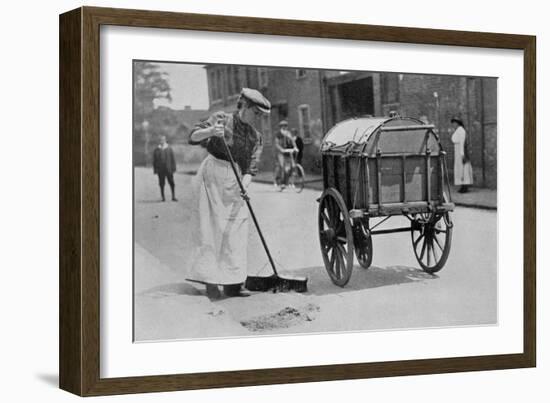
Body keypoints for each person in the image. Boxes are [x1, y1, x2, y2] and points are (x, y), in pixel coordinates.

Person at [186, 88, 270, 299]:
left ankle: (233, 282)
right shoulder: (222, 119)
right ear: (246, 107)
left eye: (261, 116)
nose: (258, 119)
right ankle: (210, 281)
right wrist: (211, 132)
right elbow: (192, 136)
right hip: (212, 175)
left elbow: (251, 167)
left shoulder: (255, 137)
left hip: (236, 179)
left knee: (236, 230)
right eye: (256, 113)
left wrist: (245, 185)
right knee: (211, 228)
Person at [450, 117, 473, 193]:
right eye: (453, 123)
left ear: (458, 123)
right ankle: (462, 186)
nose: (453, 125)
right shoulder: (458, 131)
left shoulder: (461, 131)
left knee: (463, 169)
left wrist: (462, 154)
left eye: (454, 123)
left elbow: (462, 143)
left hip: (460, 151)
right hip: (457, 151)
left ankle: (465, 187)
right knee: (460, 170)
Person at [152, 135, 177, 202]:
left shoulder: (169, 148)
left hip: (169, 169)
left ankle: (173, 196)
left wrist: (173, 168)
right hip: (160, 170)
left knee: (171, 182)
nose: (162, 141)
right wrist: (155, 170)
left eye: (163, 140)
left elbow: (173, 159)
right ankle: (163, 197)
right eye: (160, 140)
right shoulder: (157, 149)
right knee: (161, 183)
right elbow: (154, 161)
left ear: (165, 140)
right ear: (159, 141)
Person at [274, 120, 297, 187]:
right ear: (280, 127)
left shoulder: (288, 133)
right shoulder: (278, 134)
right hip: (281, 152)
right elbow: (276, 144)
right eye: (283, 126)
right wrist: (281, 149)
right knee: (282, 166)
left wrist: (295, 147)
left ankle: (289, 181)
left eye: (285, 126)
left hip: (288, 151)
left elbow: (292, 141)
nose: (284, 127)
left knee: (292, 166)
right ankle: (280, 182)